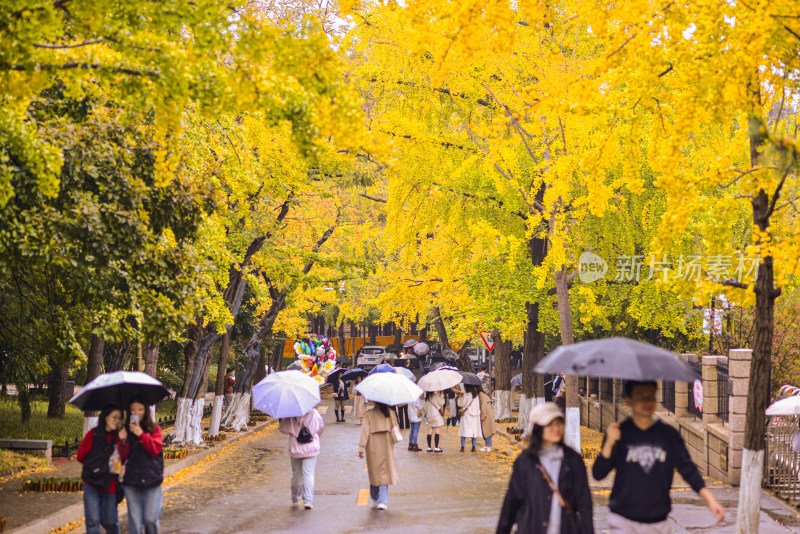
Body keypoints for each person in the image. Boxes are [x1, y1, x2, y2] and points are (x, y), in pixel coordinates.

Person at [593, 381, 725, 533]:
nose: (646, 401)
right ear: (629, 400)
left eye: (650, 396)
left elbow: (688, 469)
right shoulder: (619, 433)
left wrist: (711, 500)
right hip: (623, 521)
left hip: (657, 523)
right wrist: (609, 442)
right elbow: (598, 473)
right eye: (640, 396)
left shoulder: (668, 435)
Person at [497, 403, 594, 534]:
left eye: (559, 423)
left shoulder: (573, 460)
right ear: (538, 428)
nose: (556, 428)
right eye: (550, 424)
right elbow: (511, 503)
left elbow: (584, 504)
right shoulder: (525, 461)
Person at [77, 405, 125, 534]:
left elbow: (123, 460)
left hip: (110, 486)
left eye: (119, 419)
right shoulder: (92, 434)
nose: (116, 421)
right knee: (92, 522)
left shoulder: (120, 437)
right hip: (91, 484)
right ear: (105, 417)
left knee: (110, 522)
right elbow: (80, 456)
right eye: (114, 417)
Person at [119, 397, 164, 534]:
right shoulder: (125, 430)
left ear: (145, 411)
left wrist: (141, 434)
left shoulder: (154, 429)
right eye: (133, 410)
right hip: (131, 480)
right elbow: (119, 457)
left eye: (140, 409)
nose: (136, 413)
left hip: (151, 478)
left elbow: (155, 450)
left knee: (150, 519)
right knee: (135, 521)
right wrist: (122, 441)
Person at [278, 407, 324, 510]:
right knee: (309, 474)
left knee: (296, 474)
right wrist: (314, 435)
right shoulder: (314, 413)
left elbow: (282, 428)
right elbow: (320, 428)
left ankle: (295, 499)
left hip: (296, 448)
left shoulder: (290, 414)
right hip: (311, 448)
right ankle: (308, 500)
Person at [358, 402, 400, 510]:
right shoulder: (390, 413)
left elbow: (364, 432)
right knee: (385, 473)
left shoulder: (368, 414)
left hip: (372, 446)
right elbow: (395, 429)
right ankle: (383, 501)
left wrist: (361, 448)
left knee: (374, 472)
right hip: (387, 446)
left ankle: (375, 498)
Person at [457, 385, 482, 452]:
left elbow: (461, 404)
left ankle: (462, 447)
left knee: (464, 431)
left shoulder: (466, 395)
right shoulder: (476, 396)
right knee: (474, 431)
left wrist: (459, 398)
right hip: (475, 416)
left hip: (467, 414)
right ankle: (473, 447)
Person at [478, 385, 496, 452]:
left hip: (486, 414)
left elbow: (483, 404)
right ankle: (487, 445)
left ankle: (488, 445)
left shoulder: (480, 394)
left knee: (487, 429)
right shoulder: (483, 393)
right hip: (488, 413)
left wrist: (483, 414)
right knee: (486, 429)